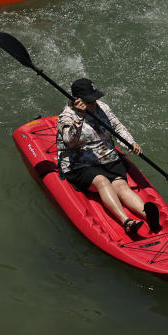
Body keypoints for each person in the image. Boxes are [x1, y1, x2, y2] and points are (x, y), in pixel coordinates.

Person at [56, 78, 160, 234]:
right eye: (90, 100)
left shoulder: (102, 107)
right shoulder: (67, 116)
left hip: (108, 157)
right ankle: (126, 221)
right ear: (78, 100)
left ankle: (148, 216)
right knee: (102, 182)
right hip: (80, 163)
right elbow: (70, 141)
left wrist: (131, 143)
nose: (94, 102)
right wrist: (80, 116)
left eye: (95, 97)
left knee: (121, 186)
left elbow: (117, 127)